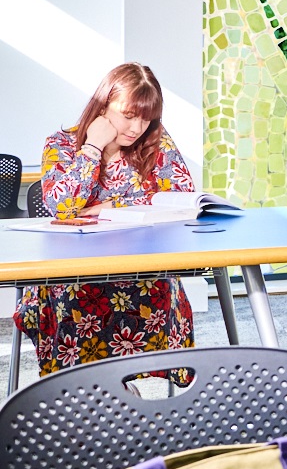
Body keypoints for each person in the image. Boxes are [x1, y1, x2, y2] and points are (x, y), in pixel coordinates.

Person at [16, 63, 196, 376]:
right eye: (128, 115)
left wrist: (111, 206)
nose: (137, 127)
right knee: (72, 297)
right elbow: (62, 206)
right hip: (73, 271)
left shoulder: (156, 142)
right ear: (103, 105)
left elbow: (182, 195)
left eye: (146, 117)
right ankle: (99, 389)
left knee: (160, 288)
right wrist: (92, 147)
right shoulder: (61, 144)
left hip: (141, 267)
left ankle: (122, 383)